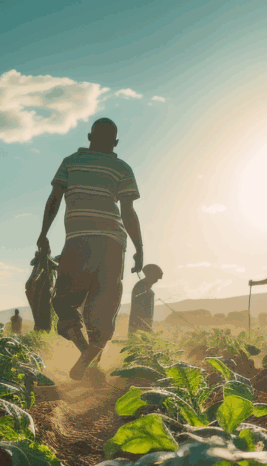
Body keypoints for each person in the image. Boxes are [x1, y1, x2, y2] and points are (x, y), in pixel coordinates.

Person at [37, 117, 144, 381]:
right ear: (116, 142)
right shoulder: (122, 167)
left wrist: (43, 234)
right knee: (103, 305)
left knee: (64, 301)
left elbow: (54, 199)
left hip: (79, 240)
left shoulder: (70, 162)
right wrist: (139, 248)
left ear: (88, 137)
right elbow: (128, 212)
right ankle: (89, 356)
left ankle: (86, 354)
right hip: (112, 242)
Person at [129, 264, 163, 333]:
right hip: (139, 326)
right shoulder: (141, 287)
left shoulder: (144, 287)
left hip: (144, 324)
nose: (156, 281)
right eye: (156, 278)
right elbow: (139, 309)